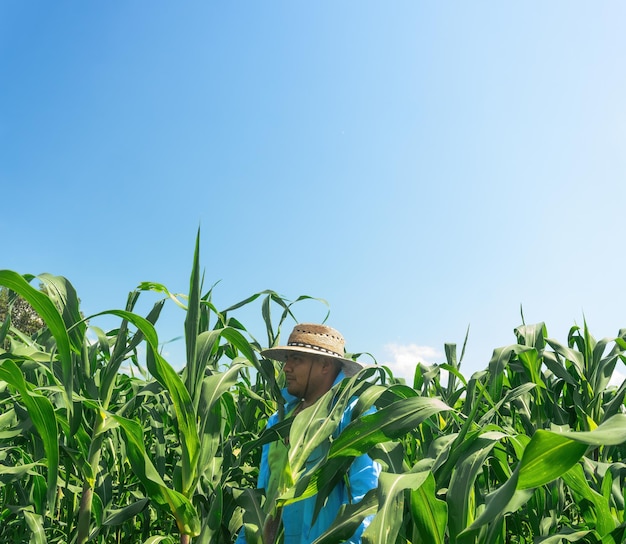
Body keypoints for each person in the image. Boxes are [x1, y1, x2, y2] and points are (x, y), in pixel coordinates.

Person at [236, 323, 380, 544]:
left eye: (297, 359)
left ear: (324, 364)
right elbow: (262, 497)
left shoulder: (354, 415)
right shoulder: (278, 421)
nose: (286, 368)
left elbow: (367, 500)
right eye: (288, 360)